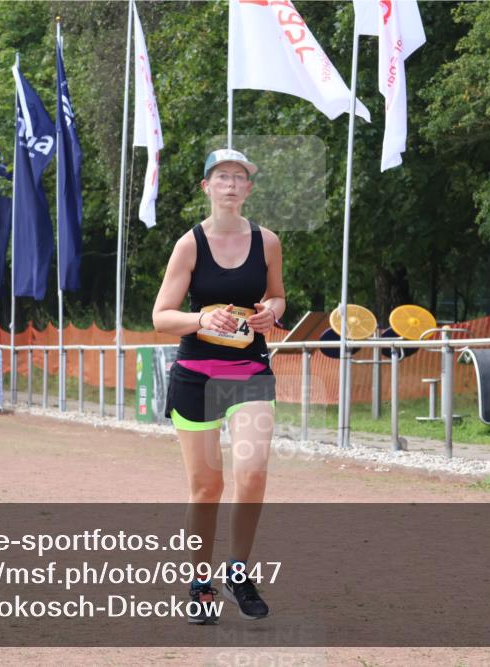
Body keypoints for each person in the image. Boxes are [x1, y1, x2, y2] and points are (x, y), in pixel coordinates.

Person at [152, 149, 286, 625]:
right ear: (206, 187)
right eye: (221, 177)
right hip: (197, 376)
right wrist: (202, 317)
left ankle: (237, 571)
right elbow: (161, 316)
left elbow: (276, 294)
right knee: (206, 488)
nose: (231, 184)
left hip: (249, 371)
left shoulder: (268, 241)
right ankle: (200, 583)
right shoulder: (189, 245)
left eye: (240, 177)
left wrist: (274, 309)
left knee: (252, 474)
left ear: (249, 189)